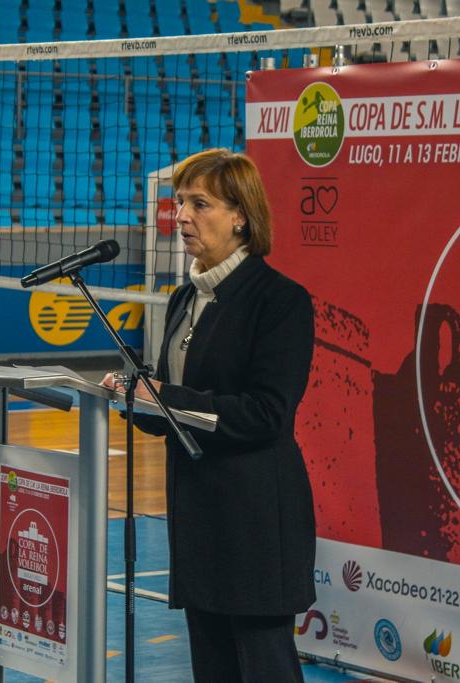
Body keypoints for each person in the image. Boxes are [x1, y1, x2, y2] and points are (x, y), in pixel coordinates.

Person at [102, 148, 316, 682]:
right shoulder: (184, 298)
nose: (182, 216)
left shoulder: (281, 301)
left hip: (256, 519)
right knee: (212, 666)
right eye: (180, 203)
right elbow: (175, 403)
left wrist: (167, 400)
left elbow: (267, 414)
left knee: (263, 665)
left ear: (241, 214)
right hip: (199, 516)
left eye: (201, 203)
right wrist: (136, 398)